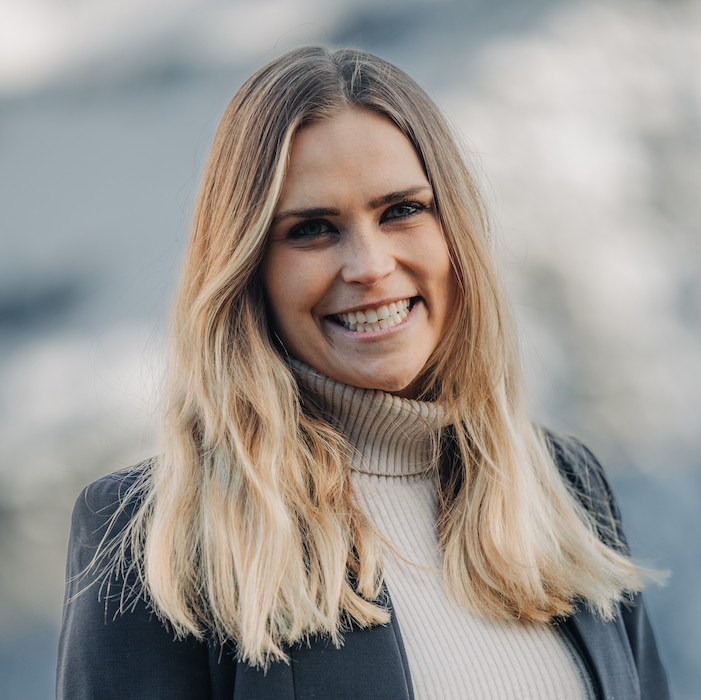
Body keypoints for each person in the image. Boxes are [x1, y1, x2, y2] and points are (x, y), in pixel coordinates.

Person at [56, 46, 670, 699]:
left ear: (454, 230)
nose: (370, 266)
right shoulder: (154, 537)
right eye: (313, 229)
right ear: (249, 268)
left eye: (401, 209)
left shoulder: (565, 488)